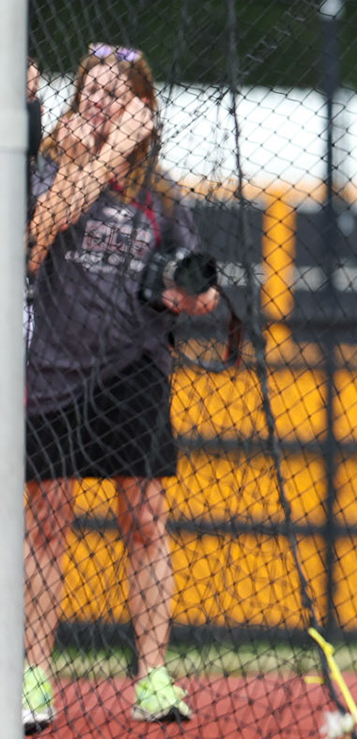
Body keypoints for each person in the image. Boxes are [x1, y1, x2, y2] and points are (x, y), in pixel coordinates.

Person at [23, 44, 222, 731]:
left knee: (145, 520)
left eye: (117, 91)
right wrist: (97, 156)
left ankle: (153, 676)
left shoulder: (160, 193)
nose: (101, 100)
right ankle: (33, 678)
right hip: (52, 366)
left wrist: (189, 293)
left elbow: (198, 288)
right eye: (92, 89)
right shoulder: (51, 167)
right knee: (48, 521)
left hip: (134, 365)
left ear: (142, 104)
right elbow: (38, 231)